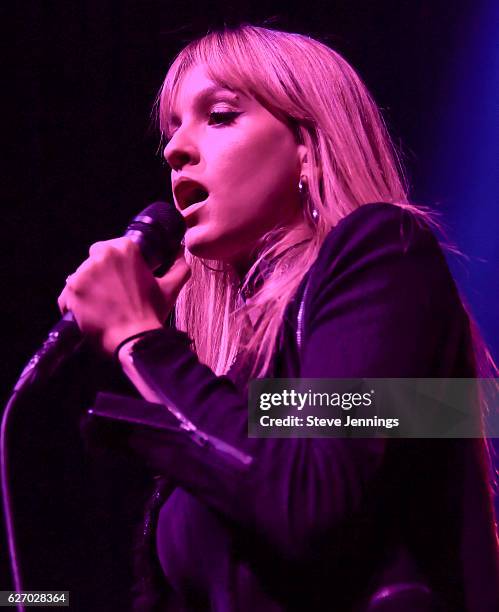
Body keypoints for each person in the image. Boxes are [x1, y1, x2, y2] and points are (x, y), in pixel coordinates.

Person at [59, 25, 499, 612]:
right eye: (170, 131)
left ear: (307, 145)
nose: (175, 150)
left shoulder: (387, 253)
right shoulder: (243, 386)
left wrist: (141, 343)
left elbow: (312, 499)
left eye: (218, 116)